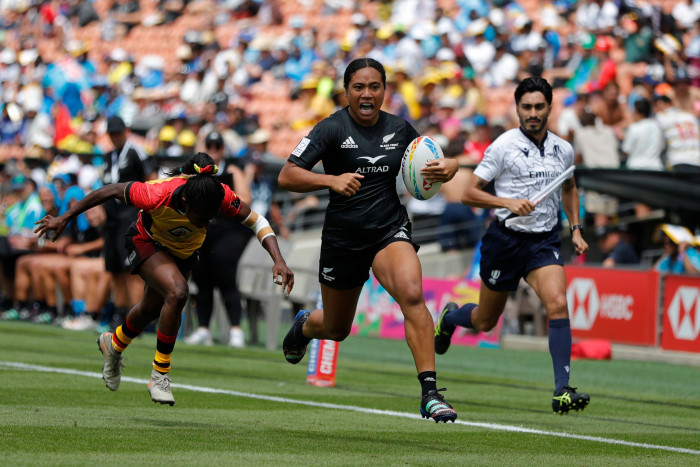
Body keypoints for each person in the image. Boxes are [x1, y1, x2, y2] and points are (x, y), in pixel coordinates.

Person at [277, 58, 459, 423]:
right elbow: (287, 174)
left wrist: (450, 166)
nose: (366, 93)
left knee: (411, 293)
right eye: (358, 87)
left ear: (384, 91)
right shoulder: (330, 129)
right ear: (346, 91)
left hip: (387, 230)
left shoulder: (400, 128)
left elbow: (427, 167)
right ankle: (306, 324)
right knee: (336, 329)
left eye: (374, 86)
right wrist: (331, 180)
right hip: (343, 238)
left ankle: (430, 393)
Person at [35, 152, 294, 405]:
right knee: (178, 292)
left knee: (150, 308)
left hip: (184, 252)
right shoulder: (157, 193)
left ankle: (113, 343)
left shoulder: (220, 195)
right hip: (147, 240)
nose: (207, 222)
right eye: (202, 217)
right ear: (186, 204)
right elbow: (109, 191)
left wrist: (279, 260)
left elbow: (258, 222)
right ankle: (160, 374)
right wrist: (64, 218)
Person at [433, 76, 591, 415]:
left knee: (558, 303)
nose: (533, 113)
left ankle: (562, 389)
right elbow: (469, 193)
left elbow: (570, 188)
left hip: (544, 242)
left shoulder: (563, 149)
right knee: (486, 320)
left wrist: (575, 229)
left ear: (549, 107)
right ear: (517, 109)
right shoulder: (503, 145)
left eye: (539, 106)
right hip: (505, 241)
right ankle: (450, 317)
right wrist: (507, 202)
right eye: (526, 107)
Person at [185, 131, 254, 348]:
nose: (214, 149)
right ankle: (204, 329)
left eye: (218, 145)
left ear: (223, 148)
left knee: (227, 280)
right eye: (209, 145)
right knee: (202, 280)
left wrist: (220, 197)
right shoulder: (196, 172)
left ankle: (235, 329)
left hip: (226, 230)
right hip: (202, 231)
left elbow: (246, 199)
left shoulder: (232, 170)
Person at [102, 115, 157, 330]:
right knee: (115, 269)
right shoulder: (109, 156)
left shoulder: (136, 151)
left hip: (130, 215)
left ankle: (136, 316)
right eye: (112, 133)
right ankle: (119, 312)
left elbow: (151, 178)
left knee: (131, 269)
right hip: (112, 217)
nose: (115, 137)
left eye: (118, 132)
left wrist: (148, 210)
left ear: (125, 131)